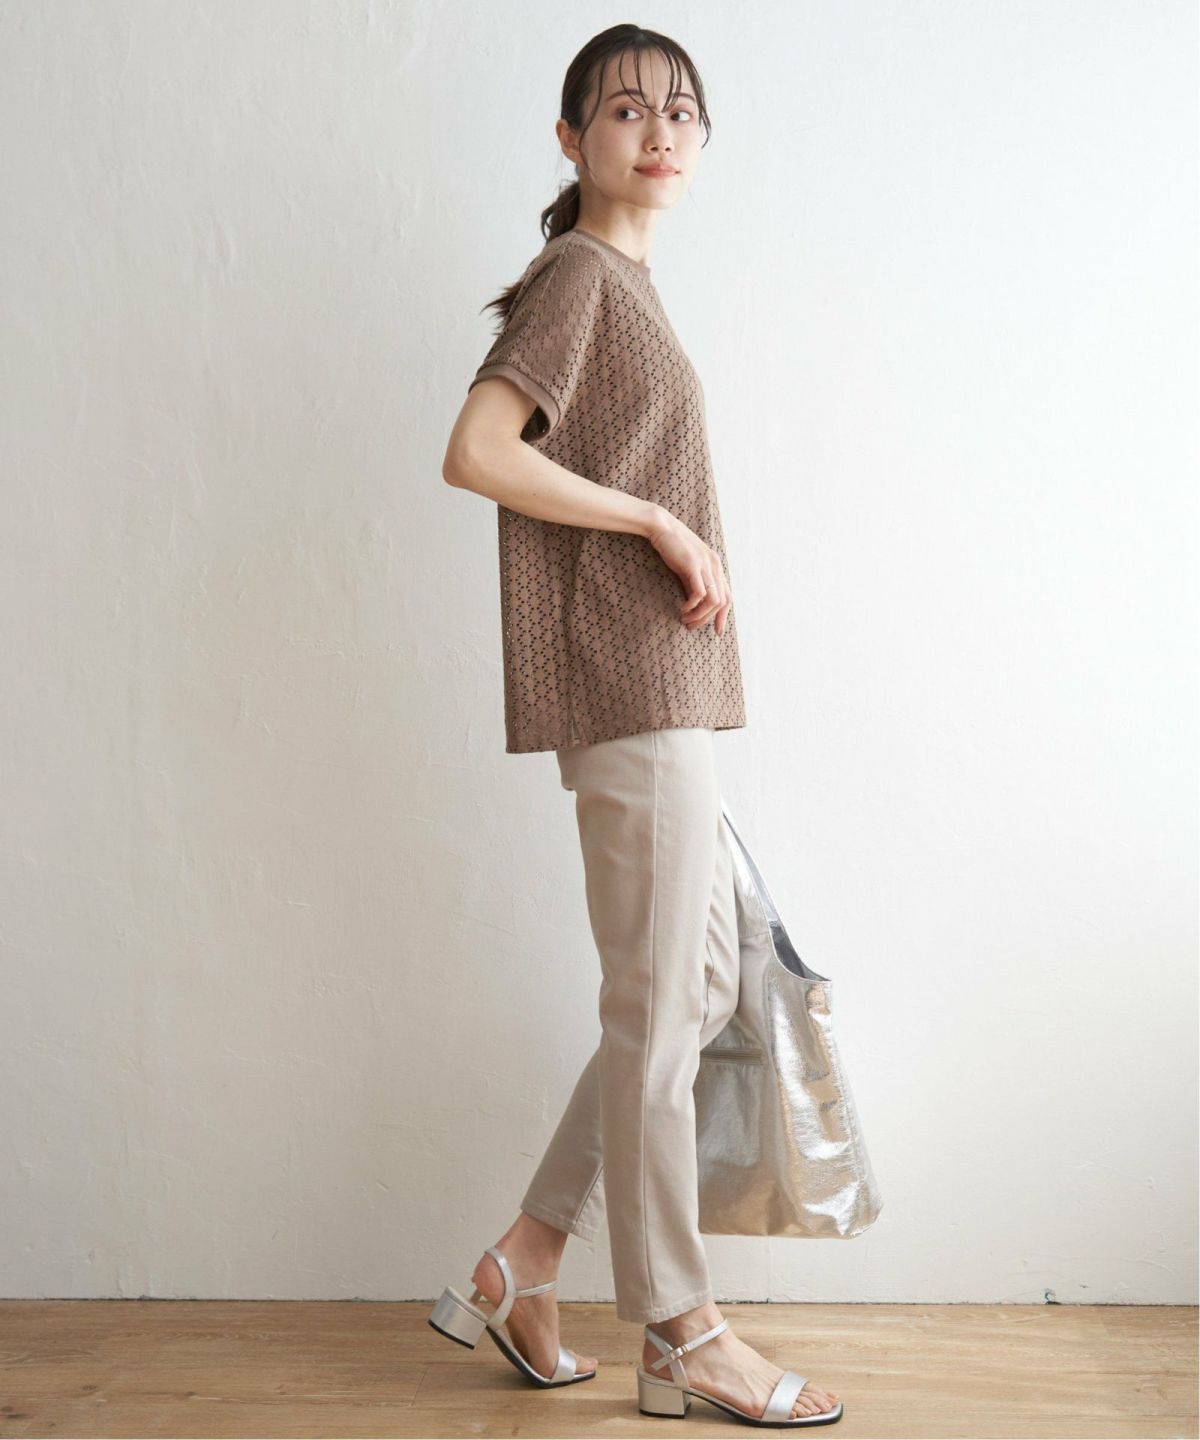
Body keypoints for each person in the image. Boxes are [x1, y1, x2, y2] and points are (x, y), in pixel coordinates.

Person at [432, 23, 843, 1428]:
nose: (658, 130)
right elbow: (477, 451)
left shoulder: (627, 288)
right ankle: (682, 1326)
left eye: (680, 111)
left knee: (689, 986)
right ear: (572, 139)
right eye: (624, 109)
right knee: (663, 1006)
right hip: (630, 684)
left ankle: (527, 1255)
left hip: (661, 687)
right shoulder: (581, 278)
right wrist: (657, 519)